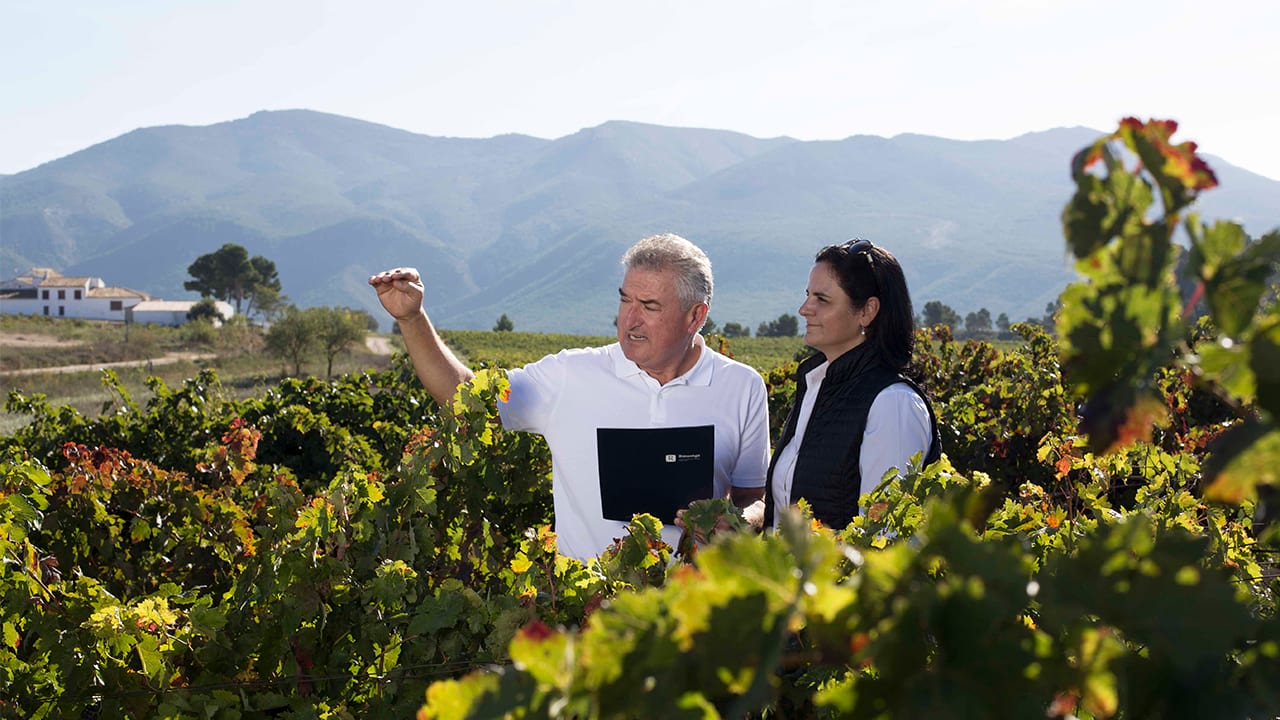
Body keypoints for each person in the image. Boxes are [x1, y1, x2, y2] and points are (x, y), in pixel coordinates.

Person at [370, 233, 770, 559]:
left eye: (649, 306)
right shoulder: (570, 375)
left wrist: (746, 520)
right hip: (588, 618)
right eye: (625, 300)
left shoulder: (741, 386)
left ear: (695, 316)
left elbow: (754, 496)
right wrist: (411, 319)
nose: (629, 319)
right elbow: (466, 397)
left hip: (696, 622)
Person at [763, 238, 942, 531]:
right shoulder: (815, 386)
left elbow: (884, 536)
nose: (804, 309)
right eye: (808, 295)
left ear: (867, 311)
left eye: (822, 299)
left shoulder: (892, 404)